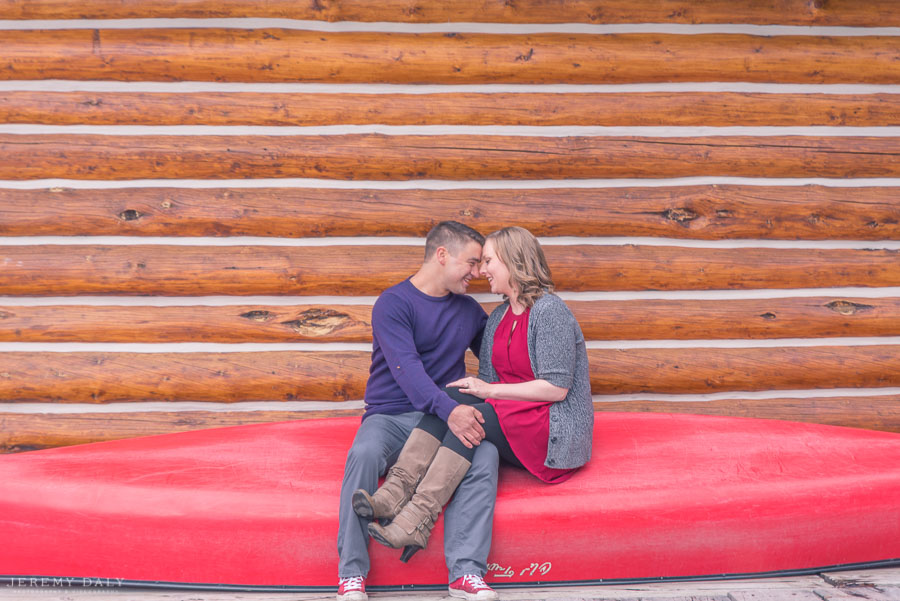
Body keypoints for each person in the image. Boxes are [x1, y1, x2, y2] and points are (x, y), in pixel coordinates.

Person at [357, 226, 593, 600]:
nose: (482, 270)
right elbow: (484, 381)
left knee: (463, 404)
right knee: (454, 396)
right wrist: (478, 392)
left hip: (551, 431)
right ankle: (400, 500)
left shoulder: (550, 311)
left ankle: (414, 512)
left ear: (514, 262)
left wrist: (490, 391)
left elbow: (556, 388)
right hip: (516, 421)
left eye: (488, 261)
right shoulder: (498, 318)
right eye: (479, 261)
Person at [337, 221, 501, 601]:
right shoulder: (393, 304)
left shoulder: (470, 311)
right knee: (363, 453)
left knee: (486, 455)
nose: (477, 274)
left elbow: (496, 365)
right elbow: (408, 373)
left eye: (481, 266)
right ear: (442, 255)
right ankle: (351, 574)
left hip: (441, 420)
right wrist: (452, 412)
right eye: (472, 263)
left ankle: (465, 573)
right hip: (392, 416)